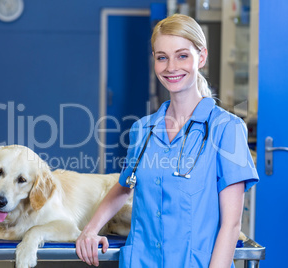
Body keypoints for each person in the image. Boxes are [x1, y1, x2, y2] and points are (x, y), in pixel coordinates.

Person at [76, 13, 259, 268]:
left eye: (182, 55)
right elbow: (125, 185)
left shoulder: (226, 129)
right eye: (162, 57)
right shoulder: (143, 129)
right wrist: (90, 229)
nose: (171, 67)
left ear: (202, 57)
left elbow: (231, 224)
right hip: (140, 262)